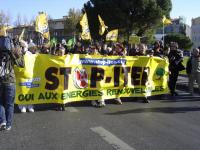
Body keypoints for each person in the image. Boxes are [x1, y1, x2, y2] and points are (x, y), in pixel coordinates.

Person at [0, 31, 24, 131]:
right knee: (10, 104)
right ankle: (8, 124)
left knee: (0, 102)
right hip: (10, 81)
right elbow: (22, 64)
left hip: (0, 81)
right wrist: (19, 50)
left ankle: (3, 121)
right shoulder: (13, 51)